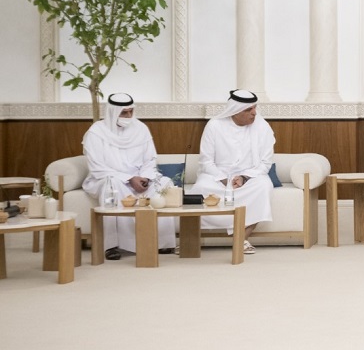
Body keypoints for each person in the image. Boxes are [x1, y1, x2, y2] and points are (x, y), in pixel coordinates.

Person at [82, 93, 177, 260]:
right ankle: (112, 246)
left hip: (139, 178)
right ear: (113, 112)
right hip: (107, 178)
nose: (128, 116)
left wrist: (145, 178)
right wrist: (129, 179)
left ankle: (163, 242)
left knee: (164, 183)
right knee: (113, 185)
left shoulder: (141, 128)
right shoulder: (96, 132)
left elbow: (150, 160)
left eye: (130, 111)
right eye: (123, 112)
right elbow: (97, 168)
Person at [191, 89, 275, 254]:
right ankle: (189, 241)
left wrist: (244, 177)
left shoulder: (262, 126)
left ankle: (241, 240)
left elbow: (265, 163)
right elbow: (206, 161)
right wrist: (223, 179)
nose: (254, 113)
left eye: (255, 108)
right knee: (199, 188)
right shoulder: (215, 125)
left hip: (249, 176)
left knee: (264, 186)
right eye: (248, 109)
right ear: (235, 111)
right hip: (216, 175)